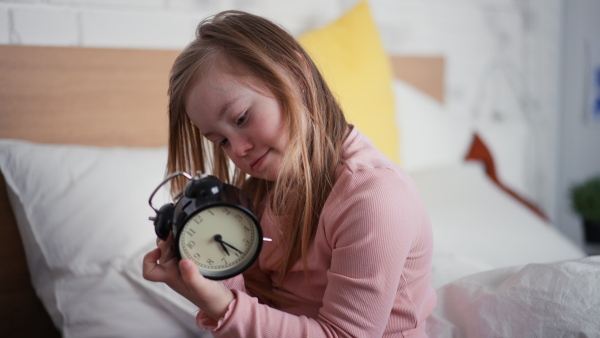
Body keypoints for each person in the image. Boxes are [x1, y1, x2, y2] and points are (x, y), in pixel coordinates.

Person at [142, 10, 436, 337]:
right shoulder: (265, 193)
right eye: (221, 140)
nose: (237, 149)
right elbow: (261, 316)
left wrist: (221, 305)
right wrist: (213, 268)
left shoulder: (374, 196)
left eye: (241, 118)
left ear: (296, 76)